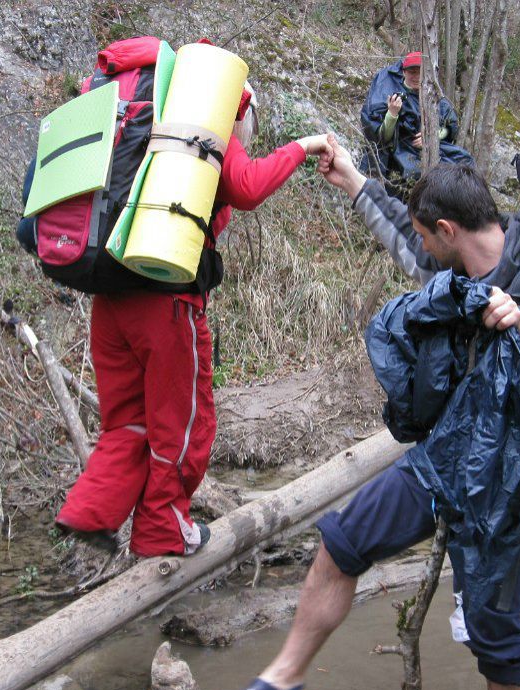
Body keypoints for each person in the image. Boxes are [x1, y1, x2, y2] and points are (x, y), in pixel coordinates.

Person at [217, 139, 520, 690]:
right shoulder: (455, 265)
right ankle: (282, 680)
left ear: (449, 229)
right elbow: (406, 237)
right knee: (343, 541)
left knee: (491, 624)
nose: (421, 246)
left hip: (519, 480)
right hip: (448, 458)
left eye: (429, 236)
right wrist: (352, 179)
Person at [53, 85, 335, 558]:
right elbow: (248, 187)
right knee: (183, 423)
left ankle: (88, 512)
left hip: (109, 297)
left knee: (127, 422)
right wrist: (304, 146)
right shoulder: (207, 128)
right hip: (164, 304)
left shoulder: (147, 129)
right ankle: (163, 528)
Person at [359, 51, 473, 192]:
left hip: (431, 148)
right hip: (400, 149)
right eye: (412, 72)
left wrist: (433, 135)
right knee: (414, 174)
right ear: (404, 72)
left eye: (420, 72)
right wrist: (392, 114)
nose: (416, 77)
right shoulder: (391, 95)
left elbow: (450, 127)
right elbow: (381, 137)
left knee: (465, 162)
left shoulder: (434, 96)